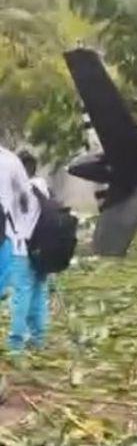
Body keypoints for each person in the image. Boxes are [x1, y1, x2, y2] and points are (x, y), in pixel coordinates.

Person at [7, 150, 51, 353]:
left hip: (21, 250)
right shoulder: (42, 188)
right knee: (39, 294)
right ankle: (39, 339)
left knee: (21, 296)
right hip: (43, 251)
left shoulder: (17, 192)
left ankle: (16, 343)